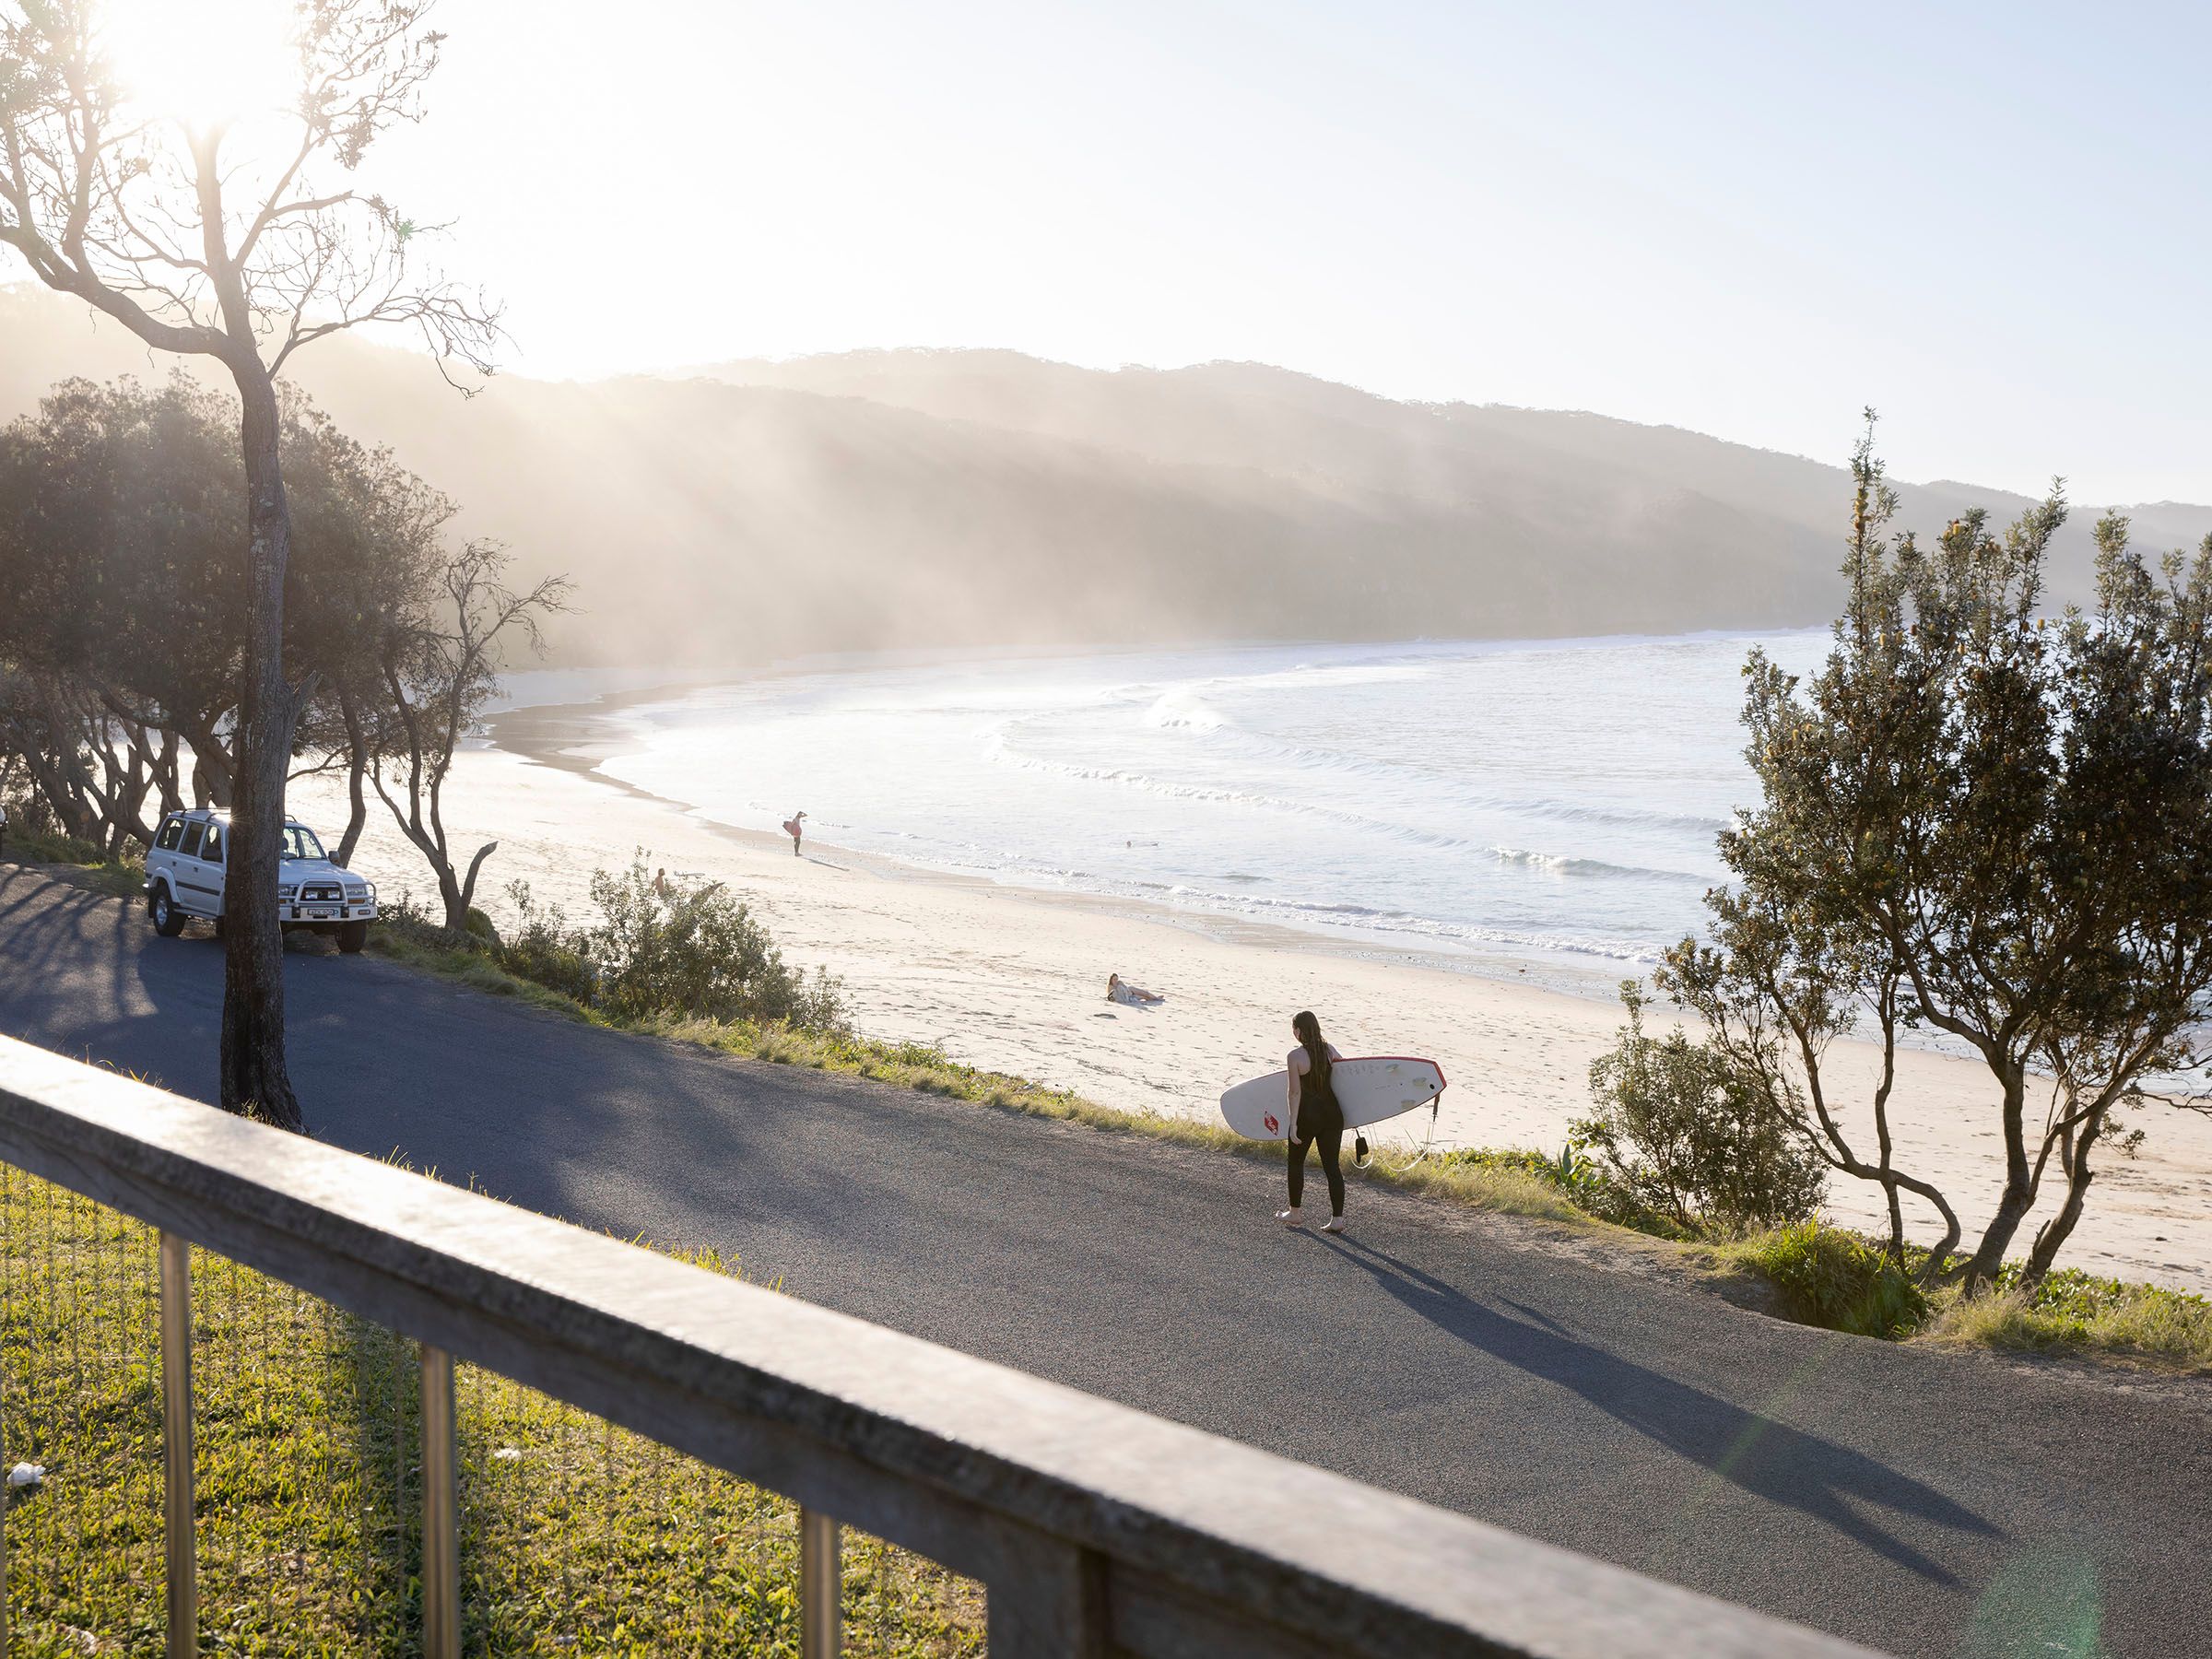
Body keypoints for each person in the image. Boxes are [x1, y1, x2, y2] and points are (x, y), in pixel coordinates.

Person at [1277, 1009, 1347, 1232]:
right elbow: (1348, 1075)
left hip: (1308, 1116)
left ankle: (1295, 1213)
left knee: (1296, 1163)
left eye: (1294, 1029)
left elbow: (1294, 1093)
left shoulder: (1295, 1057)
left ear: (1298, 1031)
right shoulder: (1329, 1050)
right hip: (1332, 1115)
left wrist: (1293, 1123)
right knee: (1332, 1167)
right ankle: (1337, 1219)